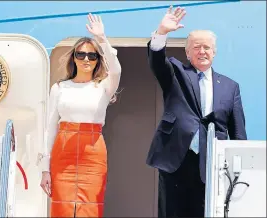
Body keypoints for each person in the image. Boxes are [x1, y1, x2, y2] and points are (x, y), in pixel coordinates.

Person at [146, 6, 247, 217]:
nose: (202, 51)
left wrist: (240, 167)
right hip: (175, 160)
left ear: (214, 52)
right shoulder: (176, 72)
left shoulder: (230, 87)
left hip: (212, 164)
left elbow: (238, 132)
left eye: (207, 47)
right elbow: (156, 62)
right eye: (196, 47)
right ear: (187, 52)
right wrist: (162, 32)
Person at [38, 13, 121, 217]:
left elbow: (116, 70)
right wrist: (44, 169)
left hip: (92, 153)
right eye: (81, 54)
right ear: (74, 58)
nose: (86, 59)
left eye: (92, 55)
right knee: (63, 208)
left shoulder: (103, 87)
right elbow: (50, 128)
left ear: (97, 60)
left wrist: (102, 39)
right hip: (63, 152)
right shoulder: (60, 87)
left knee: (90, 208)